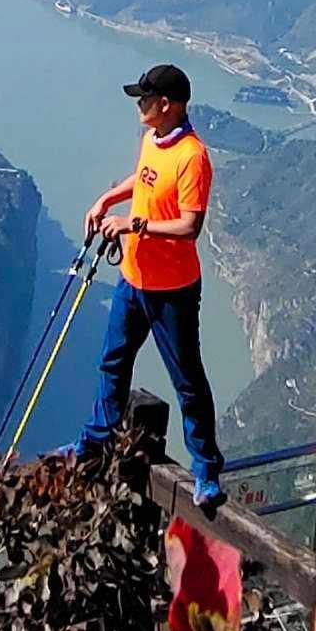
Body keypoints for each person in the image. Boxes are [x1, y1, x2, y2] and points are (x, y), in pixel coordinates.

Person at [72, 61, 228, 509]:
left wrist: (132, 223)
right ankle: (94, 442)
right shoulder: (152, 141)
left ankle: (205, 469)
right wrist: (108, 198)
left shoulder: (192, 157)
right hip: (133, 280)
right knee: (113, 363)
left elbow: (189, 226)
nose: (138, 105)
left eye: (144, 98)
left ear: (166, 105)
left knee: (187, 380)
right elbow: (142, 180)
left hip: (172, 291)